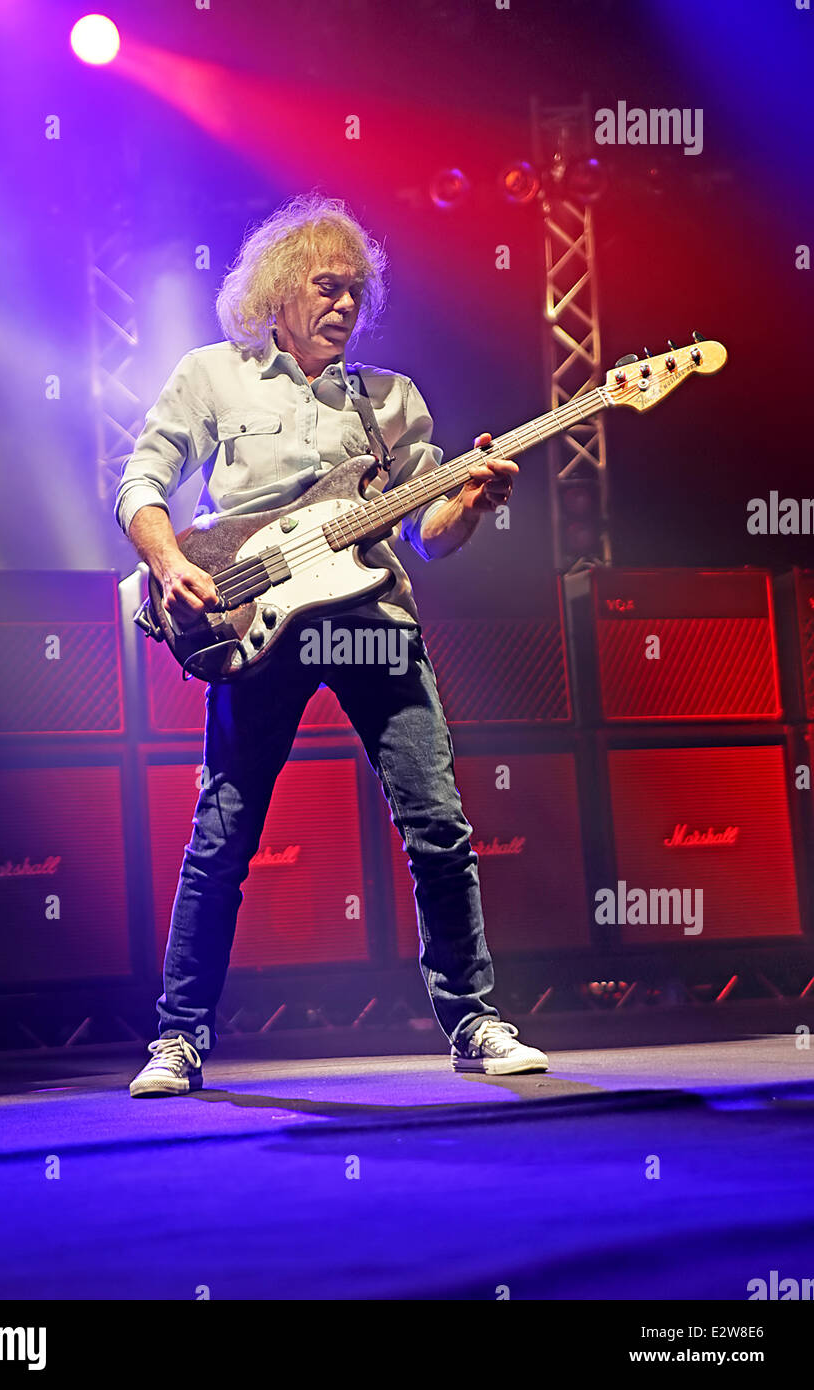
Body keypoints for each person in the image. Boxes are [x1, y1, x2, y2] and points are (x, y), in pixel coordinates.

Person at [115, 193, 549, 1096]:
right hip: (256, 626)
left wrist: (467, 504)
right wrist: (166, 561)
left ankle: (473, 1019)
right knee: (221, 837)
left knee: (437, 826)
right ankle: (179, 1037)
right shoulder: (211, 375)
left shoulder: (392, 403)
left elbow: (429, 534)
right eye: (326, 285)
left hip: (372, 623)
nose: (345, 303)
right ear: (277, 291)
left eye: (355, 290)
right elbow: (142, 477)